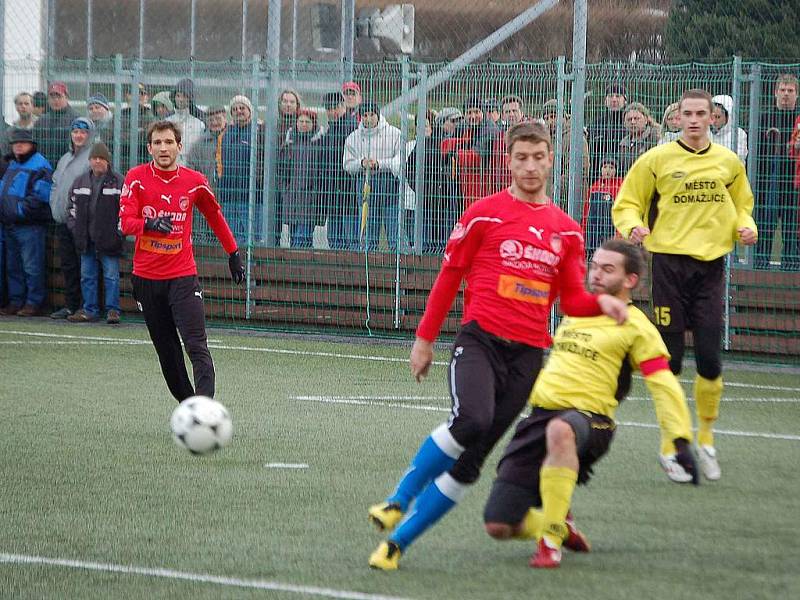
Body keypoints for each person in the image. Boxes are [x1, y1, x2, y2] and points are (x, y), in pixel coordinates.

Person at [367, 121, 628, 571]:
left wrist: (603, 301)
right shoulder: (483, 214)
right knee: (471, 418)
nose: (530, 166)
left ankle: (397, 544)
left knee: (472, 460)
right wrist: (424, 340)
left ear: (551, 160)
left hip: (527, 357)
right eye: (521, 157)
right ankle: (397, 499)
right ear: (507, 161)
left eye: (538, 157)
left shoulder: (566, 231)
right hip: (480, 341)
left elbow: (572, 301)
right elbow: (450, 277)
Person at [482, 239, 698, 569]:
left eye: (607, 269)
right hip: (539, 418)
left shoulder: (636, 323)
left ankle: (550, 541)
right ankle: (559, 525)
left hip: (591, 421)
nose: (596, 274)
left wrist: (679, 439)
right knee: (499, 525)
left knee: (561, 429)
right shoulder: (577, 311)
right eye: (594, 266)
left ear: (630, 281)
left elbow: (664, 384)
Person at [612, 88, 758, 482]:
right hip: (669, 270)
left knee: (710, 360)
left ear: (713, 117)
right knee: (670, 362)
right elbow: (626, 202)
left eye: (701, 113)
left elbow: (743, 205)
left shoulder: (729, 163)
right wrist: (632, 226)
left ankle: (706, 440)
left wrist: (747, 226)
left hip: (711, 270)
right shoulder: (656, 160)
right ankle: (671, 446)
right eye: (686, 113)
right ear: (676, 118)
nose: (693, 120)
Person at [118, 121, 245, 402]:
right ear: (149, 148)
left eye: (169, 142)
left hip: (183, 276)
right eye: (157, 143)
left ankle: (204, 406)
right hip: (146, 279)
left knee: (196, 344)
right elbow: (125, 223)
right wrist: (149, 224)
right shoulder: (136, 178)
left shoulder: (195, 181)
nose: (163, 148)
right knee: (167, 350)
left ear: (179, 146)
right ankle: (190, 405)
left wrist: (233, 253)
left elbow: (214, 215)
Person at [66, 142, 125, 324]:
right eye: (94, 158)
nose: (97, 161)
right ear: (90, 160)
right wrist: (75, 229)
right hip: (85, 239)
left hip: (110, 239)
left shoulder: (118, 181)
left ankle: (113, 310)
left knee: (111, 276)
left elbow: (126, 209)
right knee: (87, 276)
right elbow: (71, 208)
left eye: (101, 158)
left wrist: (119, 233)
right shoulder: (79, 181)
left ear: (107, 161)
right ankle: (89, 310)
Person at [0, 128, 53, 316]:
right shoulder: (12, 163)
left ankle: (33, 303)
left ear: (32, 145)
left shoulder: (41, 165)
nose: (19, 146)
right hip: (10, 224)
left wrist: (17, 211)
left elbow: (41, 197)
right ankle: (16, 301)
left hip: (30, 225)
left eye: (23, 142)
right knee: (13, 266)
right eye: (16, 143)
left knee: (32, 267)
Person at [49, 117, 95, 320]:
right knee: (68, 265)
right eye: (75, 131)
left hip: (80, 223)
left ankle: (87, 306)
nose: (78, 135)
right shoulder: (65, 158)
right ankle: (70, 305)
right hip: (61, 222)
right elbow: (55, 184)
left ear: (89, 135)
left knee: (84, 266)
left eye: (83, 132)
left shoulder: (91, 159)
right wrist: (54, 205)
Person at [343, 101, 403, 251]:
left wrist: (380, 163)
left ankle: (398, 266)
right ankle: (368, 265)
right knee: (369, 234)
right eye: (364, 115)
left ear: (378, 115)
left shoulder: (394, 133)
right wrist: (362, 163)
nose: (368, 119)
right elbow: (347, 164)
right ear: (360, 117)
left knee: (394, 233)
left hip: (390, 186)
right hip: (365, 186)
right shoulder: (353, 138)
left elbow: (400, 160)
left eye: (372, 115)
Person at [753, 74, 799, 270]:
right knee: (764, 228)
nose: (786, 94)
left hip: (793, 185)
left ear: (797, 95)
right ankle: (759, 268)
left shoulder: (799, 121)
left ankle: (791, 270)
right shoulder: (763, 119)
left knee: (791, 230)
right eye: (782, 90)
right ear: (775, 93)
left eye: (790, 91)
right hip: (767, 183)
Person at [319, 91, 358, 250]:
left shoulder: (351, 127)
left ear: (343, 106)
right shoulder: (331, 129)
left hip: (349, 193)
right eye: (328, 108)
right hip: (333, 194)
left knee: (351, 242)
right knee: (335, 242)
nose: (331, 111)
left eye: (334, 107)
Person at [32, 81, 79, 167]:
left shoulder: (76, 119)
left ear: (66, 97)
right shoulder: (41, 121)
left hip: (69, 166)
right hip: (44, 167)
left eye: (59, 96)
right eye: (52, 97)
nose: (55, 100)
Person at [582, 157, 623, 253]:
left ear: (616, 170)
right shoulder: (594, 187)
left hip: (611, 230)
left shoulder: (620, 186)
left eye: (611, 167)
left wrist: (619, 234)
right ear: (600, 169)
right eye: (605, 167)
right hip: (594, 233)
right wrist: (584, 232)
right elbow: (586, 212)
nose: (607, 170)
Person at [710, 95, 748, 163]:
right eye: (712, 116)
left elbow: (738, 159)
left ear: (728, 117)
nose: (714, 121)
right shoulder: (706, 133)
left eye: (718, 117)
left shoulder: (739, 133)